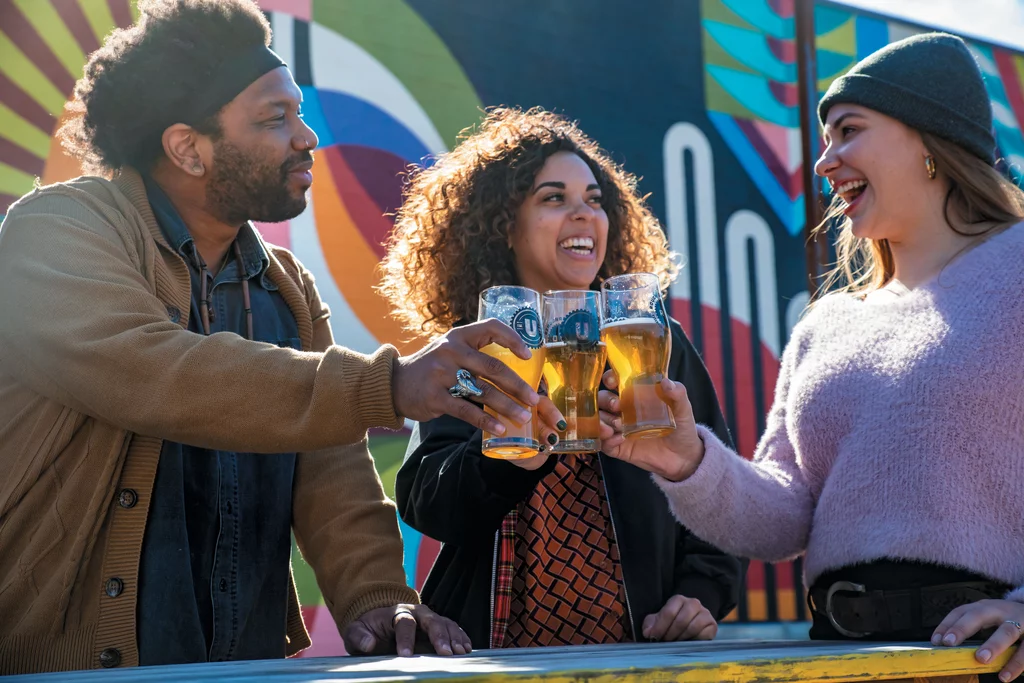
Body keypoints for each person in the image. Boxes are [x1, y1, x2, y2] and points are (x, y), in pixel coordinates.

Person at [0, 0, 554, 673]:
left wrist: (376, 595)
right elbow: (153, 371)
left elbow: (332, 466)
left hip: (244, 663)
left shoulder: (285, 284)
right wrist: (388, 383)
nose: (307, 136)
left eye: (298, 111)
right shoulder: (57, 230)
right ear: (187, 148)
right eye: (275, 119)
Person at [596, 33, 1024, 682]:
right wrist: (686, 459)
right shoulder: (825, 325)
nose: (825, 163)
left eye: (848, 131)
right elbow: (784, 517)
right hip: (836, 659)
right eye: (825, 140)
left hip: (986, 661)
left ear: (931, 141)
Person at [379, 107, 745, 649]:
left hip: (639, 654)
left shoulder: (647, 340)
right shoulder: (477, 348)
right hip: (495, 654)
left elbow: (718, 486)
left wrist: (700, 593)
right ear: (503, 226)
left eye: (595, 201)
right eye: (554, 198)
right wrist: (499, 459)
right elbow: (427, 503)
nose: (584, 215)